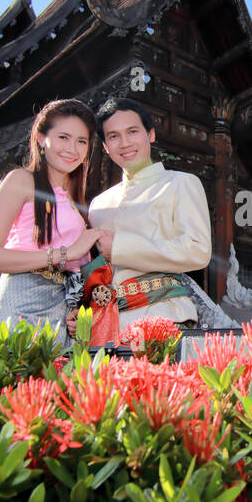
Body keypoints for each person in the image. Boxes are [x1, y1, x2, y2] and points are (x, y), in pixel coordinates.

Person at [0, 99, 104, 346]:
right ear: (42, 138)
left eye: (81, 141)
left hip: (59, 317)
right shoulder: (20, 181)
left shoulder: (75, 202)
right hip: (18, 307)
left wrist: (75, 308)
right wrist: (65, 253)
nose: (72, 149)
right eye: (63, 137)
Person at [86, 96, 211, 333]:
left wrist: (121, 248)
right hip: (105, 327)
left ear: (150, 134)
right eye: (113, 136)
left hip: (163, 317)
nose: (124, 143)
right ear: (105, 147)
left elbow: (198, 250)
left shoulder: (180, 183)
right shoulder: (98, 204)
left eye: (133, 131)